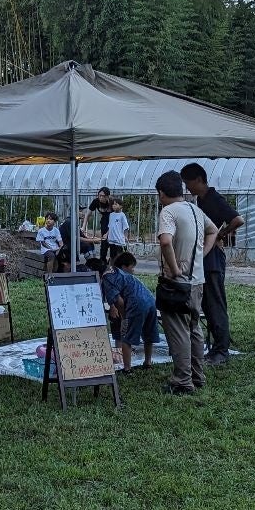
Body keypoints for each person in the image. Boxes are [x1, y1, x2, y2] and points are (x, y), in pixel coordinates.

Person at [155, 169, 218, 395]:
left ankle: (182, 381)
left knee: (178, 330)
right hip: (197, 282)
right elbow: (213, 231)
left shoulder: (168, 212)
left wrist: (173, 269)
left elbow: (165, 242)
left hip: (176, 284)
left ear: (162, 193)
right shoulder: (195, 209)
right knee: (194, 329)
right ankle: (197, 375)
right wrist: (202, 254)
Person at [181, 162, 243, 366]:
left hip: (214, 259)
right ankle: (217, 346)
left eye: (189, 184)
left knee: (215, 304)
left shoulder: (214, 198)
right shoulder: (201, 200)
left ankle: (221, 350)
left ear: (199, 179)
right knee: (207, 304)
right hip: (205, 258)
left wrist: (220, 234)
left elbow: (237, 220)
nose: (188, 189)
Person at [102, 251, 159, 371]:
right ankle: (148, 362)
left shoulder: (109, 276)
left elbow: (119, 301)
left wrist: (124, 318)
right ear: (124, 267)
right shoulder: (123, 275)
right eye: (132, 268)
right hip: (150, 300)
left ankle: (127, 368)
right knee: (148, 333)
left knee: (127, 336)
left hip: (136, 302)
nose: (133, 271)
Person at [83, 186, 115, 264]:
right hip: (104, 221)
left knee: (113, 243)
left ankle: (113, 262)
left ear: (107, 196)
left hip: (113, 222)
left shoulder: (112, 202)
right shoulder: (96, 201)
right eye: (99, 195)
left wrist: (107, 233)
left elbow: (115, 219)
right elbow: (88, 214)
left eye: (103, 196)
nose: (100, 197)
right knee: (104, 243)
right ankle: (102, 261)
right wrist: (83, 227)